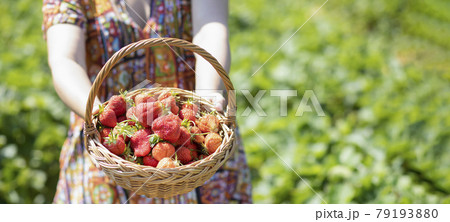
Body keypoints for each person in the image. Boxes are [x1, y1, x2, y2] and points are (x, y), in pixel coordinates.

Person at [43, 0, 252, 203]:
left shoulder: (200, 136)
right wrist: (100, 114)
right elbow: (66, 60)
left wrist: (206, 96)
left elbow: (210, 29)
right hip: (107, 146)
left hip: (198, 149)